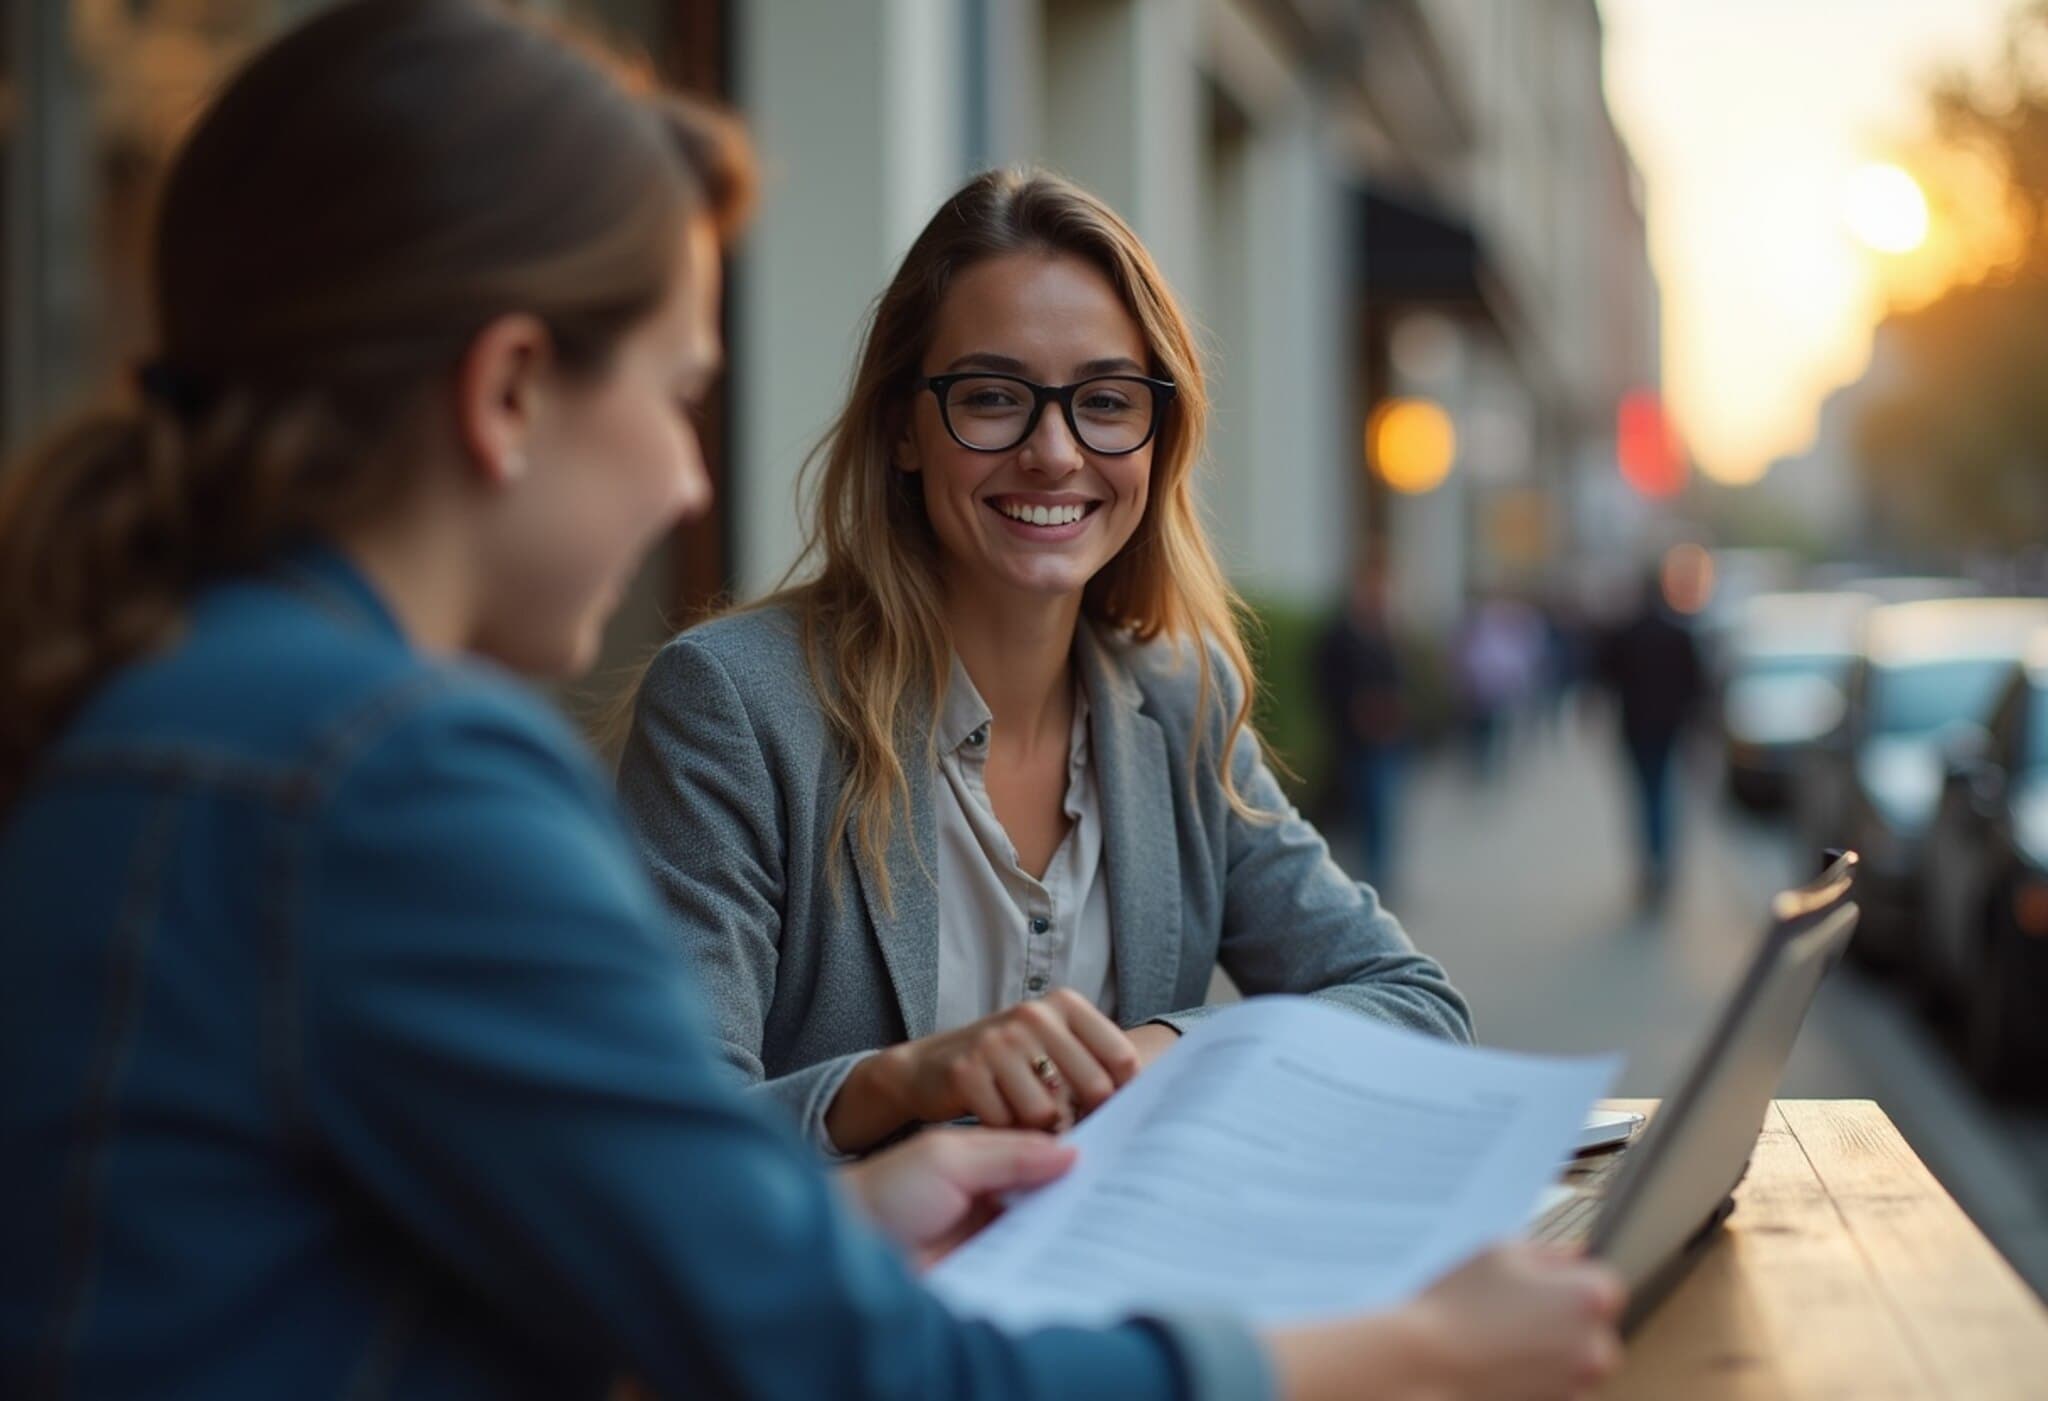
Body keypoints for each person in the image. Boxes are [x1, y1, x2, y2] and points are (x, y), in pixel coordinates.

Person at [0, 4, 1622, 1397]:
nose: (687, 473)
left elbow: (551, 1250)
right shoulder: (392, 782)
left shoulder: (201, 709)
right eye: (675, 394)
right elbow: (847, 1366)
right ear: (505, 394)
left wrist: (850, 1217)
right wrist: (1404, 1347)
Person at [617, 168, 1470, 1162]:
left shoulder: (1180, 704)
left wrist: (1164, 1053)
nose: (1055, 452)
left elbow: (1415, 1011)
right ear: (903, 427)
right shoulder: (735, 705)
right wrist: (901, 1082)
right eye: (991, 397)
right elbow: (663, 1139)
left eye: (1105, 401)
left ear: (1158, 435)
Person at [1595, 570, 1707, 902]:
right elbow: (1697, 685)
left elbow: (1604, 676)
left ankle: (1651, 864)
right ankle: (1661, 864)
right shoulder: (1678, 633)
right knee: (1663, 795)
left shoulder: (1626, 633)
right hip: (1669, 728)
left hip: (1635, 727)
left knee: (1645, 797)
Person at [1313, 561, 1408, 893]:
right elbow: (1325, 683)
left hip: (1387, 737)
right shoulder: (1340, 634)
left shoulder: (1383, 632)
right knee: (1362, 811)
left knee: (1385, 810)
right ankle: (1363, 878)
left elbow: (1397, 679)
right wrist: (1353, 712)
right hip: (1354, 740)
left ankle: (1381, 876)